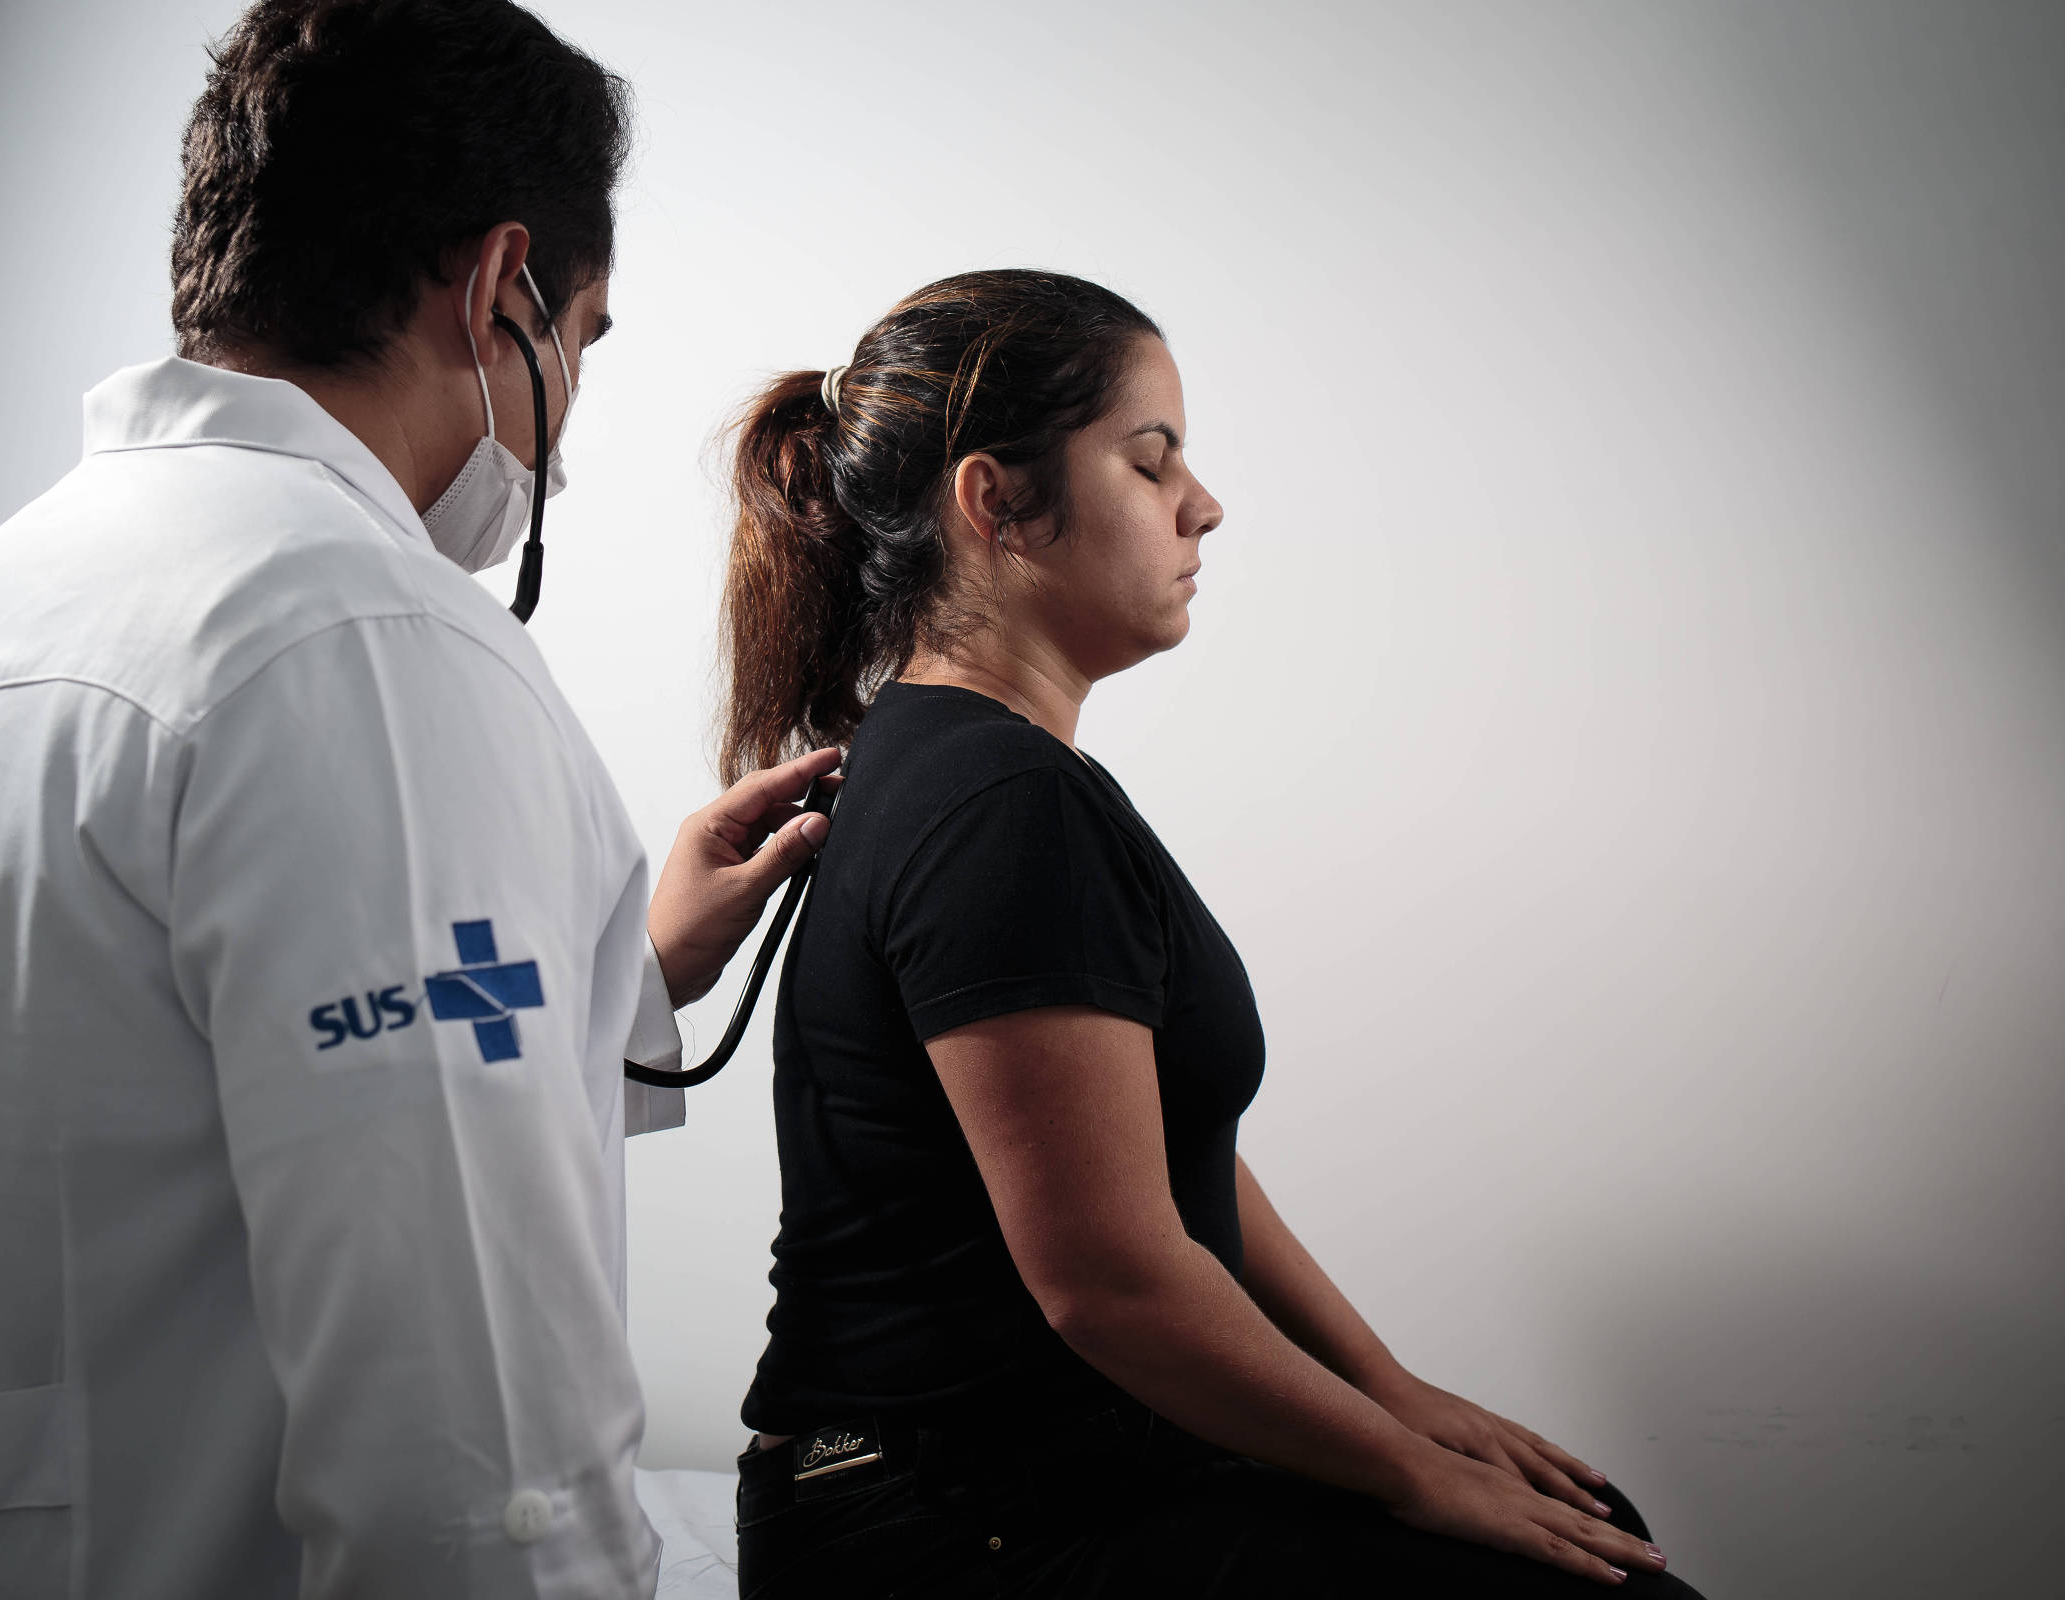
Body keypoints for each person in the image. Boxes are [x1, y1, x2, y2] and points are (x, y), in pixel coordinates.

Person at [0, 3, 836, 1595]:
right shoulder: (360, 637)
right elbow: (483, 1466)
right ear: (504, 289)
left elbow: (163, 1048)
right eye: (587, 337)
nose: (577, 395)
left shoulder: (7, 592)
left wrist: (625, 966)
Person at [716, 269, 1704, 1597]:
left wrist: (1398, 1397)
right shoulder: (995, 804)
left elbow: (1167, 1152)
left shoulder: (964, 766)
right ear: (995, 500)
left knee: (1585, 1519)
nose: (1204, 506)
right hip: (945, 1521)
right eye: (1150, 461)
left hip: (999, 1476)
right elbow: (1111, 1282)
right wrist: (1411, 1469)